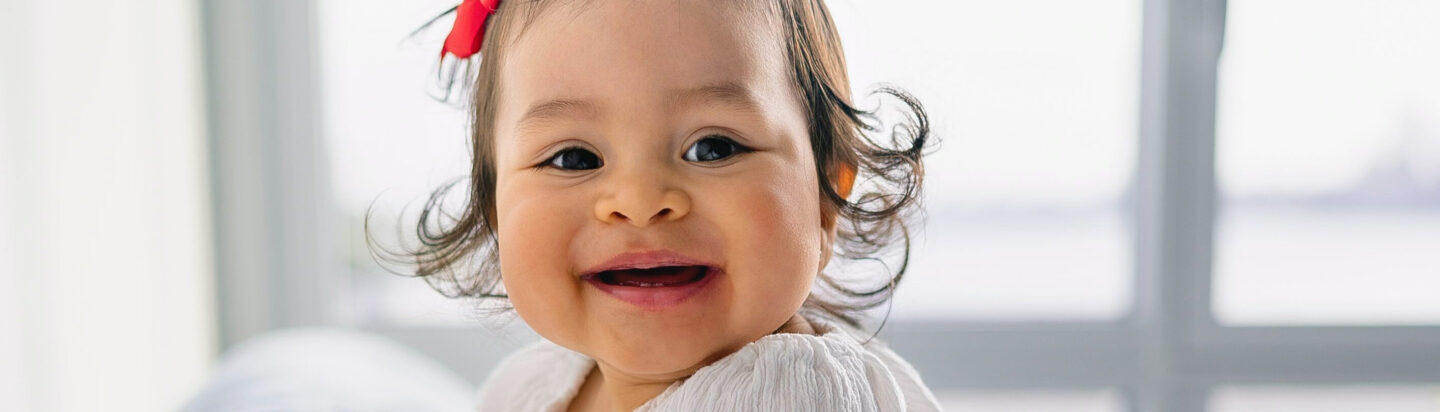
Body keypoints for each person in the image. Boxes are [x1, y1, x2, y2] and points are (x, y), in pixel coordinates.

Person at [386, 0, 943, 410]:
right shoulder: (532, 385)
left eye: (713, 147)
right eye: (573, 158)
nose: (639, 201)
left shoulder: (793, 396)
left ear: (826, 199)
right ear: (495, 208)